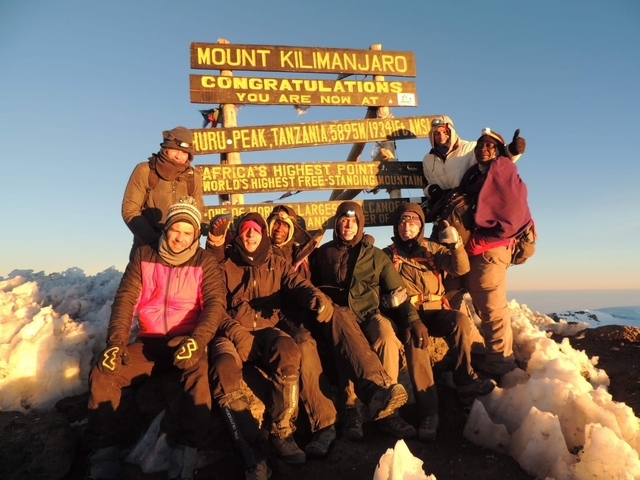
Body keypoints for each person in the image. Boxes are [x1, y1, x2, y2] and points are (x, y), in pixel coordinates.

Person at [85, 196, 227, 480]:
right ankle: (105, 451)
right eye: (176, 230)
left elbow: (215, 304)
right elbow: (126, 299)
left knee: (198, 377)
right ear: (167, 229)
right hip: (148, 343)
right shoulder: (144, 255)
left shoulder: (205, 262)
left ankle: (187, 450)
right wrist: (115, 343)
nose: (180, 238)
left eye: (188, 233)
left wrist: (197, 341)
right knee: (103, 372)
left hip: (184, 342)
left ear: (195, 236)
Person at [207, 212, 333, 470]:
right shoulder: (225, 266)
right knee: (223, 368)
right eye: (246, 230)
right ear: (239, 234)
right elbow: (214, 308)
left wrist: (316, 297)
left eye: (256, 229)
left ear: (263, 234)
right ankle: (252, 453)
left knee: (288, 349)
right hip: (229, 332)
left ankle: (281, 430)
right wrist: (236, 333)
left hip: (266, 328)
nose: (251, 234)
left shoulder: (276, 263)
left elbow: (298, 284)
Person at [382, 202, 495, 441]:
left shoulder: (433, 249)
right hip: (409, 316)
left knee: (460, 322)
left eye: (412, 222)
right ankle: (429, 412)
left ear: (420, 225)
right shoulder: (388, 255)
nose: (407, 227)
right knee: (416, 342)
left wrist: (455, 245)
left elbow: (460, 268)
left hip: (436, 310)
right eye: (402, 222)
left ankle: (464, 379)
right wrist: (387, 301)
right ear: (396, 226)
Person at [310, 201, 422, 441]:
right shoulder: (323, 253)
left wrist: (413, 319)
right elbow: (310, 284)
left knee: (386, 335)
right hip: (337, 316)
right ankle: (351, 409)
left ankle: (388, 410)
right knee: (344, 342)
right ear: (337, 222)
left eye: (353, 220)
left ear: (360, 223)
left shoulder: (375, 255)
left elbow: (397, 290)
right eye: (343, 219)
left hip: (368, 314)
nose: (348, 224)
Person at [458, 128, 532, 378]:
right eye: (481, 144)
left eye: (490, 146)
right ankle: (492, 355)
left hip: (491, 249)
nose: (484, 148)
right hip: (479, 249)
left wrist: (481, 240)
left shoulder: (502, 169)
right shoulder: (477, 173)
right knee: (483, 305)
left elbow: (513, 216)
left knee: (492, 307)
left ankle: (502, 366)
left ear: (499, 151)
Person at [122, 126, 205, 260]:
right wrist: (156, 241)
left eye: (185, 152)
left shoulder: (193, 176)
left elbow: (198, 214)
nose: (179, 156)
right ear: (166, 148)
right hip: (147, 248)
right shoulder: (145, 170)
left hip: (183, 251)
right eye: (176, 150)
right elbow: (130, 210)